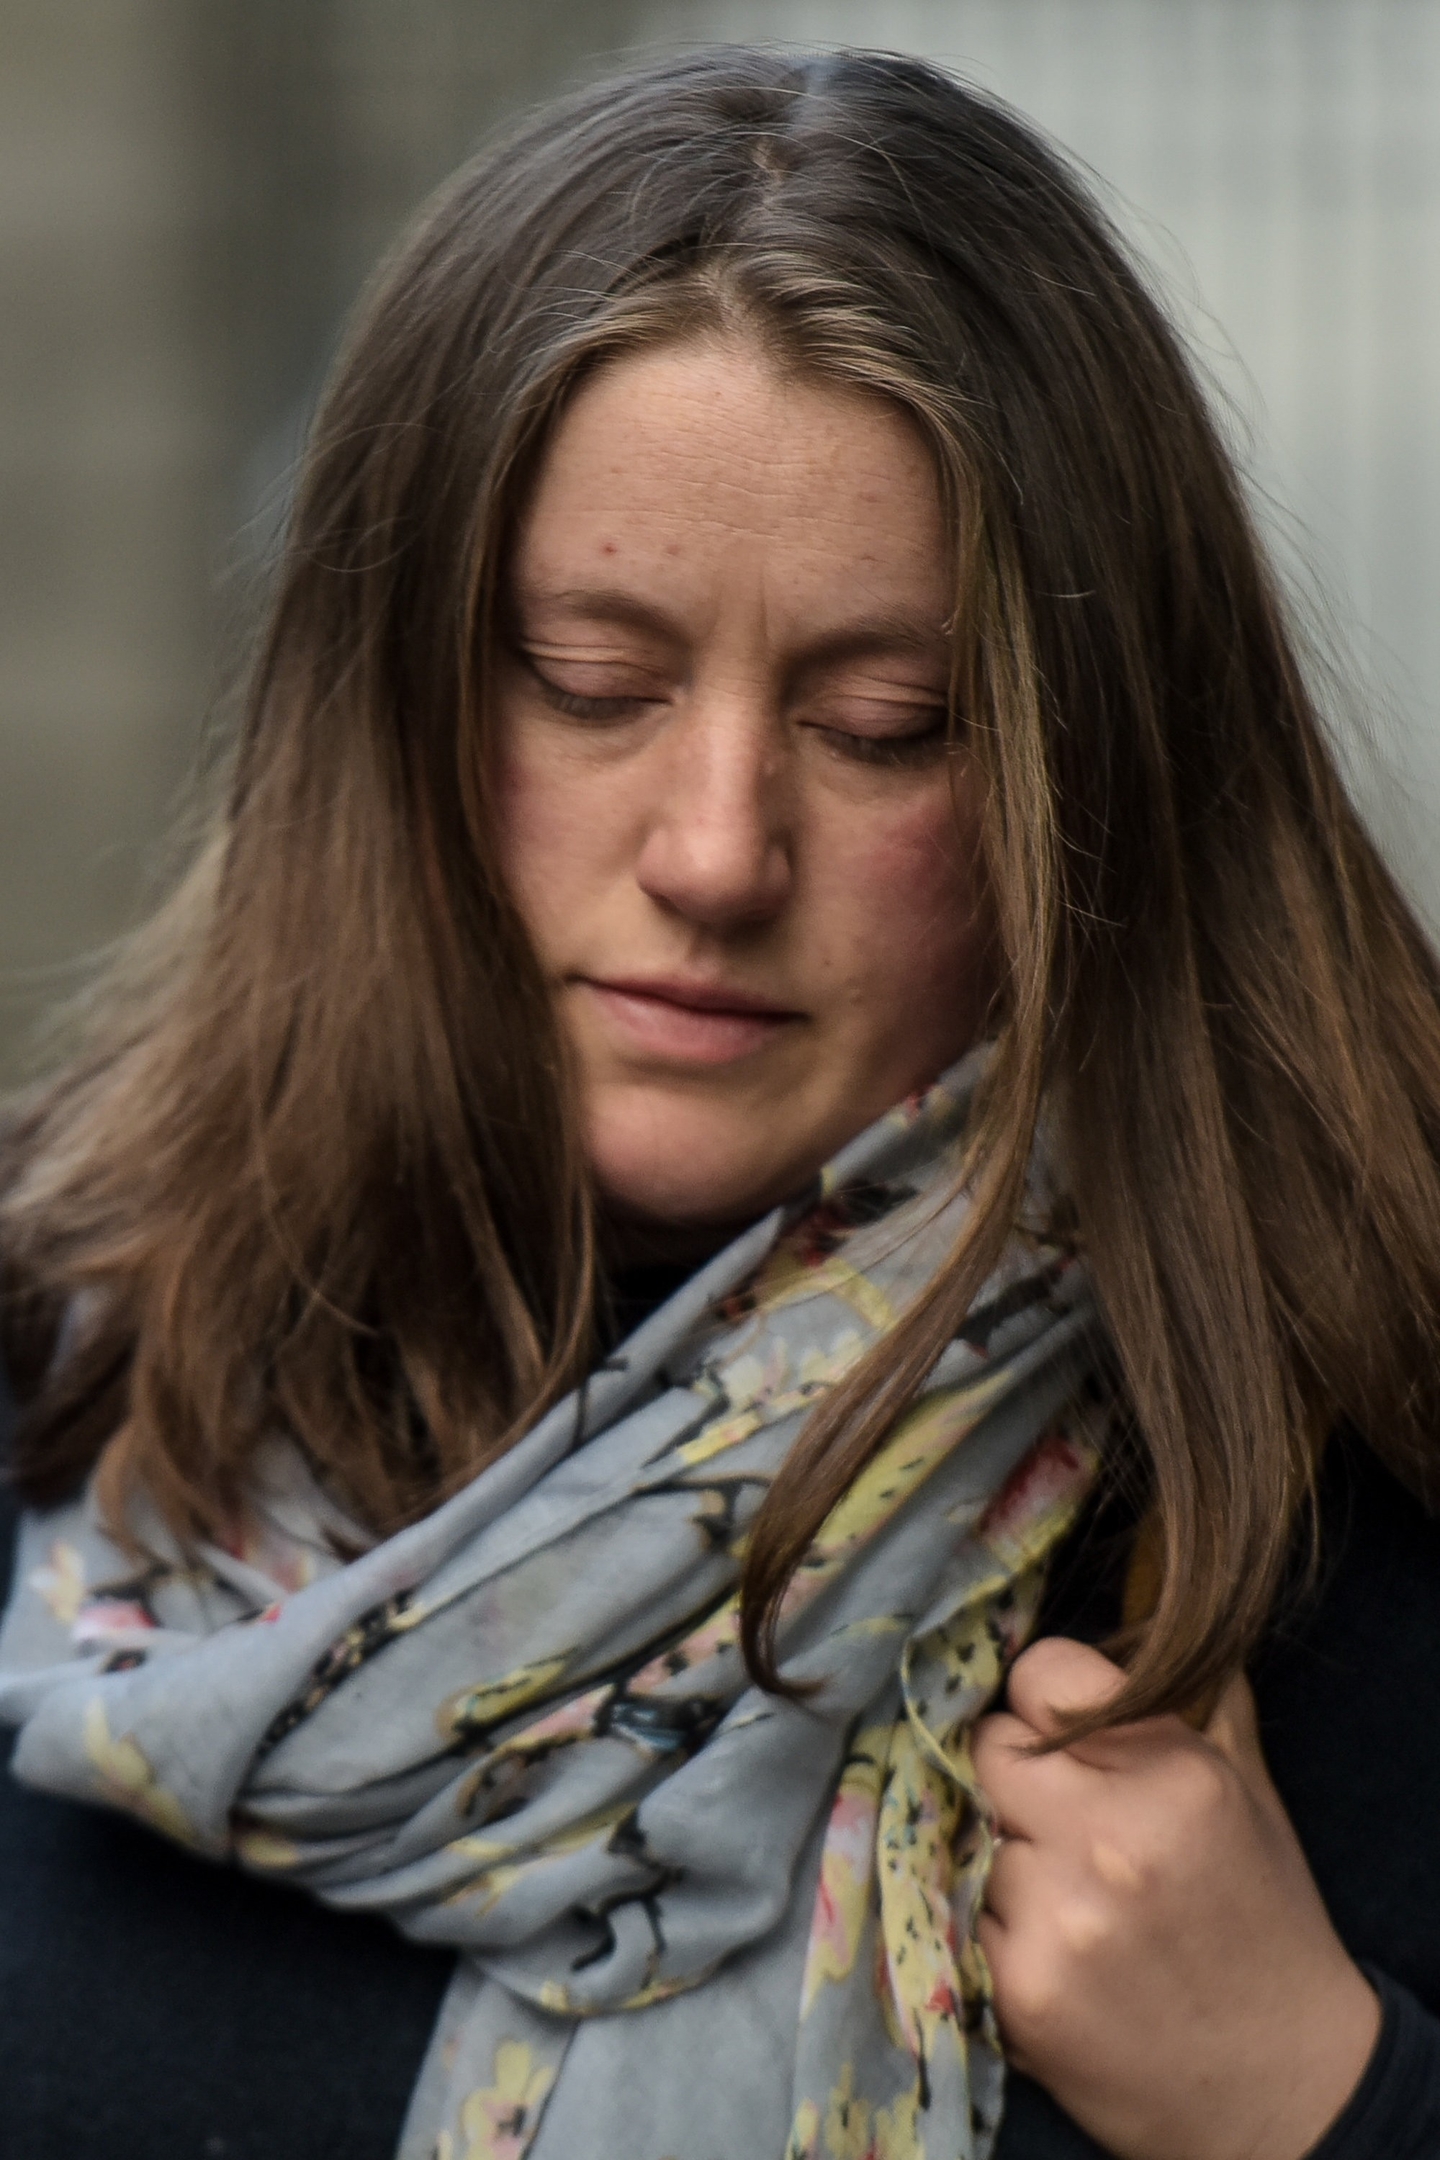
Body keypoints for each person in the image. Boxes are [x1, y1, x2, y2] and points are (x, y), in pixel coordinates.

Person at [1, 44, 1438, 2160]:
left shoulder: (1350, 1494)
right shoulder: (54, 1382)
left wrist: (1332, 2099)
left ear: (1091, 788)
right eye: (594, 687)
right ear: (377, 708)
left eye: (887, 725)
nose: (714, 848)